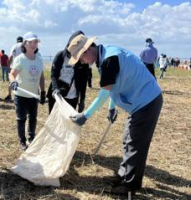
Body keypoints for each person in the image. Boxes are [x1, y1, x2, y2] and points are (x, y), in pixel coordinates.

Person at [68, 34, 163, 195]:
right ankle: (123, 175)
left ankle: (131, 185)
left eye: (80, 58)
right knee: (128, 138)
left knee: (135, 144)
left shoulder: (109, 59)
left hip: (147, 101)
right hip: (141, 102)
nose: (82, 62)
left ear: (88, 50)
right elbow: (113, 87)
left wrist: (85, 115)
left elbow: (104, 93)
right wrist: (112, 108)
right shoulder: (105, 55)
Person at [9, 32, 46, 150]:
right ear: (24, 44)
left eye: (35, 42)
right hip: (21, 95)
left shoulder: (39, 59)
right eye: (30, 42)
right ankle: (22, 141)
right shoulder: (20, 59)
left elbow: (41, 77)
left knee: (33, 118)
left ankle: (31, 138)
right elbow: (12, 74)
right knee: (21, 118)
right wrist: (13, 82)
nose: (33, 44)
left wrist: (43, 91)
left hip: (34, 95)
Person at [47, 30, 91, 114]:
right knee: (55, 120)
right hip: (57, 95)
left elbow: (83, 81)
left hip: (73, 97)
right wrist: (56, 88)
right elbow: (54, 75)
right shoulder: (60, 56)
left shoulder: (83, 61)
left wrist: (82, 99)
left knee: (68, 122)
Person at [4, 36, 23, 101]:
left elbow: (10, 57)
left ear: (17, 41)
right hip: (23, 66)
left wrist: (9, 66)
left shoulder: (14, 46)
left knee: (11, 81)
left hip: (15, 66)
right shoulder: (25, 46)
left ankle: (9, 95)